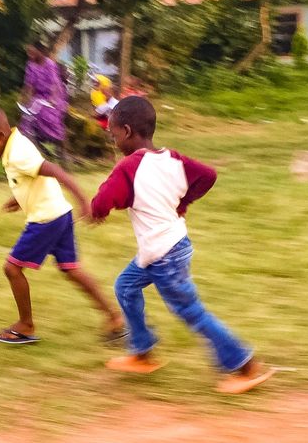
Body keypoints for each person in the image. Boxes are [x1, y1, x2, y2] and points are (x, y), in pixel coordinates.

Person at [90, 96, 273, 394]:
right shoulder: (172, 158)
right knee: (125, 286)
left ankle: (244, 364)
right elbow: (208, 175)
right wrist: (183, 201)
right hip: (168, 247)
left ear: (126, 131)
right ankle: (142, 350)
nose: (113, 141)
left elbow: (103, 201)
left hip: (163, 255)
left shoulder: (128, 167)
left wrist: (97, 212)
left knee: (191, 312)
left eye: (113, 135)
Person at [0, 105, 126, 345]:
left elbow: (54, 170)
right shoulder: (14, 146)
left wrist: (83, 199)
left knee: (12, 269)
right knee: (71, 269)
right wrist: (18, 198)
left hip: (46, 220)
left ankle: (25, 325)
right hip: (60, 214)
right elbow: (31, 177)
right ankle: (114, 316)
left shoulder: (17, 153)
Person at [19, 42, 68, 163]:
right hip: (38, 98)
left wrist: (52, 99)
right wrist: (24, 100)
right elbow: (29, 85)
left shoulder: (49, 64)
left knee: (46, 116)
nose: (30, 54)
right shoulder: (30, 65)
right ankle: (41, 152)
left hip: (54, 98)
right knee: (27, 119)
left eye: (32, 52)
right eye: (28, 52)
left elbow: (54, 84)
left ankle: (61, 150)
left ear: (40, 52)